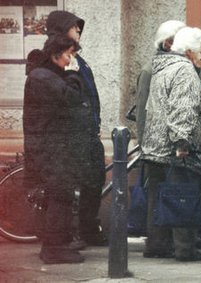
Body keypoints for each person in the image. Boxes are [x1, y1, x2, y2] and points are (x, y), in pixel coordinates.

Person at [132, 20, 201, 251]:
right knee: (182, 194)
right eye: (200, 51)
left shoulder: (165, 66)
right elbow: (181, 108)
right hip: (175, 147)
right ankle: (184, 247)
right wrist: (182, 142)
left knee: (162, 196)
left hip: (159, 145)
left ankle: (158, 245)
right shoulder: (182, 69)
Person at [44, 10, 107, 249]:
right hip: (72, 136)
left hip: (88, 131)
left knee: (94, 181)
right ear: (61, 29)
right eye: (74, 26)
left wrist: (94, 123)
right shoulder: (57, 57)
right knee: (69, 187)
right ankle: (75, 233)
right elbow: (66, 97)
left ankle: (88, 227)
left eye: (80, 27)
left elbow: (87, 94)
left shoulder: (78, 58)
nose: (79, 30)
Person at [24, 34, 84, 264]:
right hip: (50, 148)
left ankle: (57, 246)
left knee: (62, 195)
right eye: (69, 55)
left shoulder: (47, 75)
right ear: (55, 54)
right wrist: (74, 75)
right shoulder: (43, 78)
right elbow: (71, 98)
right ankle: (53, 249)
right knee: (59, 196)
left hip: (54, 146)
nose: (71, 60)